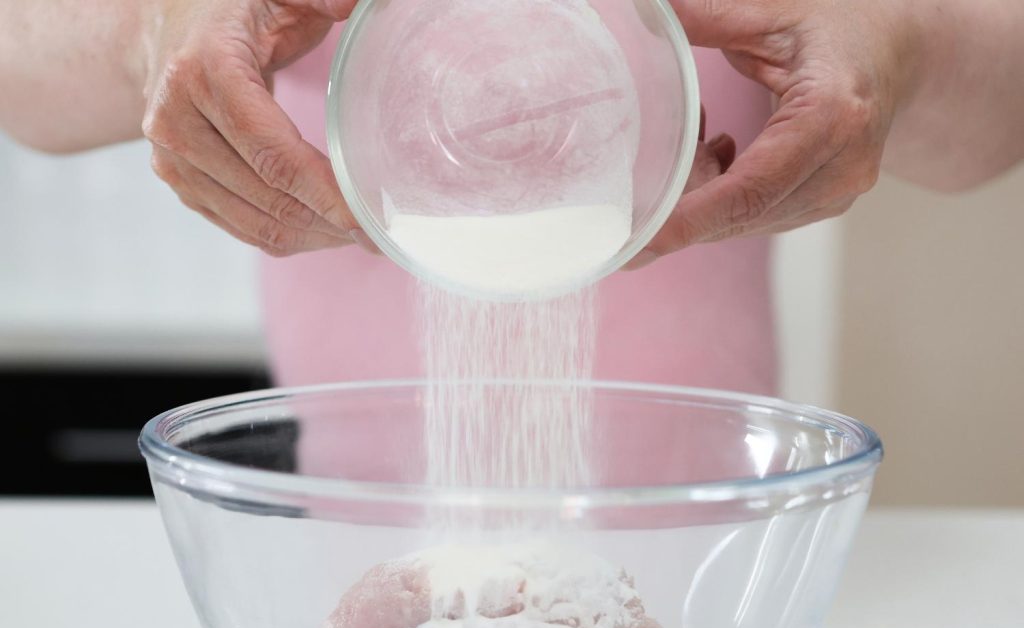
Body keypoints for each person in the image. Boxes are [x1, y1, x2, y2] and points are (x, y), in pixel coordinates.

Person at [2, 1, 1022, 394]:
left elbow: (994, 124)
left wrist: (899, 50)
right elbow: (20, 65)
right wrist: (150, 35)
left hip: (712, 543)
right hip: (339, 544)